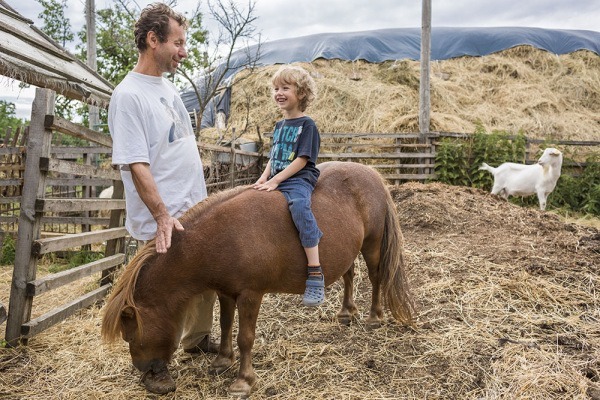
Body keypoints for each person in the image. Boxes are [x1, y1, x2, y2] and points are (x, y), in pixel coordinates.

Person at [107, 3, 217, 354]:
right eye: (178, 43)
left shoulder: (166, 87)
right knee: (158, 297)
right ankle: (151, 362)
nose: (184, 52)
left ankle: (197, 340)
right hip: (163, 219)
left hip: (192, 209)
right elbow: (136, 163)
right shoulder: (128, 96)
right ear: (153, 40)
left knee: (203, 282)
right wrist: (161, 216)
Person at [253, 65, 324, 307]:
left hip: (298, 178)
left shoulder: (307, 126)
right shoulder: (280, 125)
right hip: (278, 176)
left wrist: (277, 180)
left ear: (301, 93)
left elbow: (302, 159)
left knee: (300, 207)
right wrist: (264, 177)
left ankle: (315, 272)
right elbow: (275, 156)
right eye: (275, 88)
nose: (278, 92)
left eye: (285, 88)